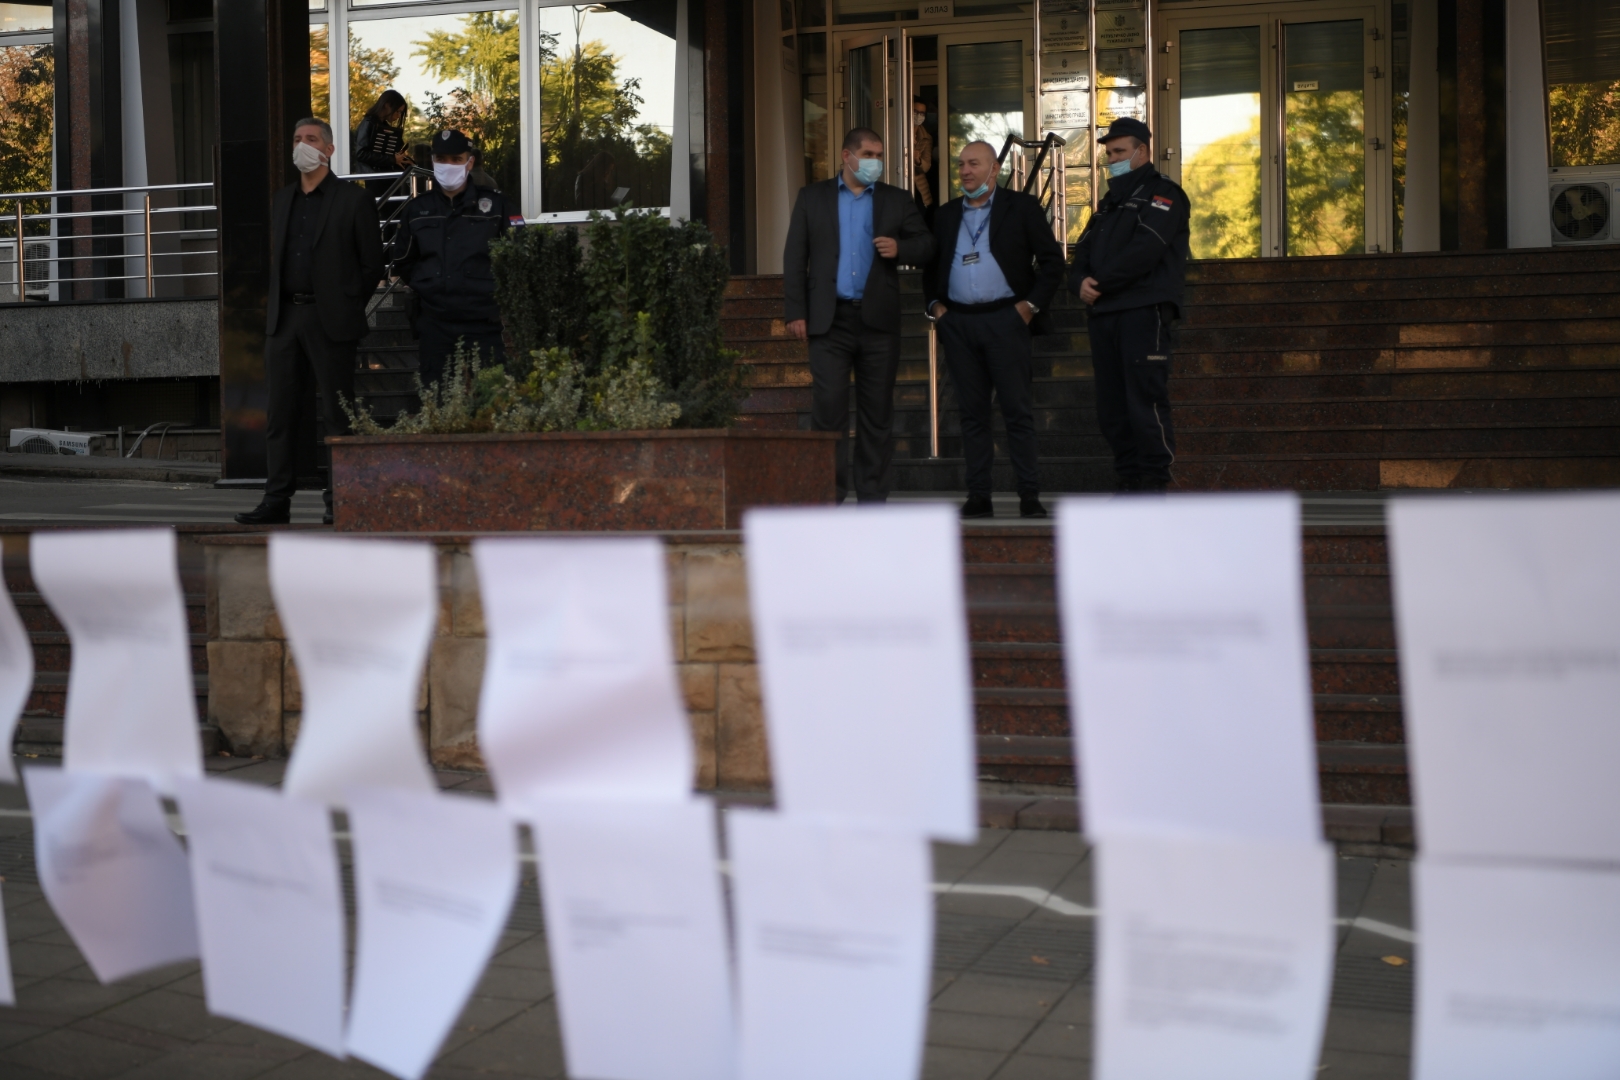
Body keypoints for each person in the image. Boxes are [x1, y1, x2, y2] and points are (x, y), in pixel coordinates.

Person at [236, 118, 384, 527]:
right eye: (298, 139)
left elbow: (373, 263)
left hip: (330, 318)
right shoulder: (282, 200)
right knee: (280, 413)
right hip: (285, 319)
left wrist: (347, 304)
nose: (302, 145)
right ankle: (276, 500)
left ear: (330, 150)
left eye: (311, 139)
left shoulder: (352, 200)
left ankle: (340, 498)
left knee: (337, 415)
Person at [782, 127, 934, 503]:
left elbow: (927, 245)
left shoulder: (896, 200)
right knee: (828, 412)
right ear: (846, 157)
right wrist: (795, 312)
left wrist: (900, 248)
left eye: (879, 155)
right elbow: (794, 257)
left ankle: (871, 498)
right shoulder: (811, 197)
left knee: (877, 414)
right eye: (868, 154)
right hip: (828, 322)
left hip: (878, 322)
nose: (875, 162)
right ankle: (828, 495)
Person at [923, 140, 1066, 520]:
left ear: (995, 168)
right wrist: (936, 309)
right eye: (961, 164)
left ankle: (1029, 497)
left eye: (973, 163)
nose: (965, 170)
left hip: (1007, 320)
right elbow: (930, 270)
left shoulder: (1021, 207)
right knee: (972, 415)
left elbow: (1053, 263)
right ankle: (978, 496)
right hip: (958, 324)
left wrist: (1029, 307)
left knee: (1017, 412)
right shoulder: (945, 214)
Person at [1069, 117, 1190, 494]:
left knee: (1144, 399)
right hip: (1105, 314)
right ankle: (1128, 476)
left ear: (1143, 152)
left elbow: (1146, 250)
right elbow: (1083, 252)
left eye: (1120, 152)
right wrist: (1080, 283)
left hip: (1144, 310)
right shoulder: (1108, 203)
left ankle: (1153, 480)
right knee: (1112, 406)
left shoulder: (1164, 193)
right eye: (1109, 153)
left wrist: (1099, 283)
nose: (1112, 160)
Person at [390, 129, 523, 391]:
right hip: (435, 327)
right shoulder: (417, 210)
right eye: (441, 159)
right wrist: (429, 285)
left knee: (491, 401)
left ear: (469, 162)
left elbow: (517, 254)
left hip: (482, 324)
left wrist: (493, 288)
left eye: (455, 159)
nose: (448, 165)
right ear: (432, 161)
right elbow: (404, 261)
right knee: (437, 402)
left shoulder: (496, 205)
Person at [352, 90, 411, 176]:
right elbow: (361, 154)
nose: (399, 116)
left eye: (401, 113)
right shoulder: (368, 123)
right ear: (386, 105)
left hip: (379, 176)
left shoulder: (381, 125)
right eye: (397, 111)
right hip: (372, 178)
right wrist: (392, 159)